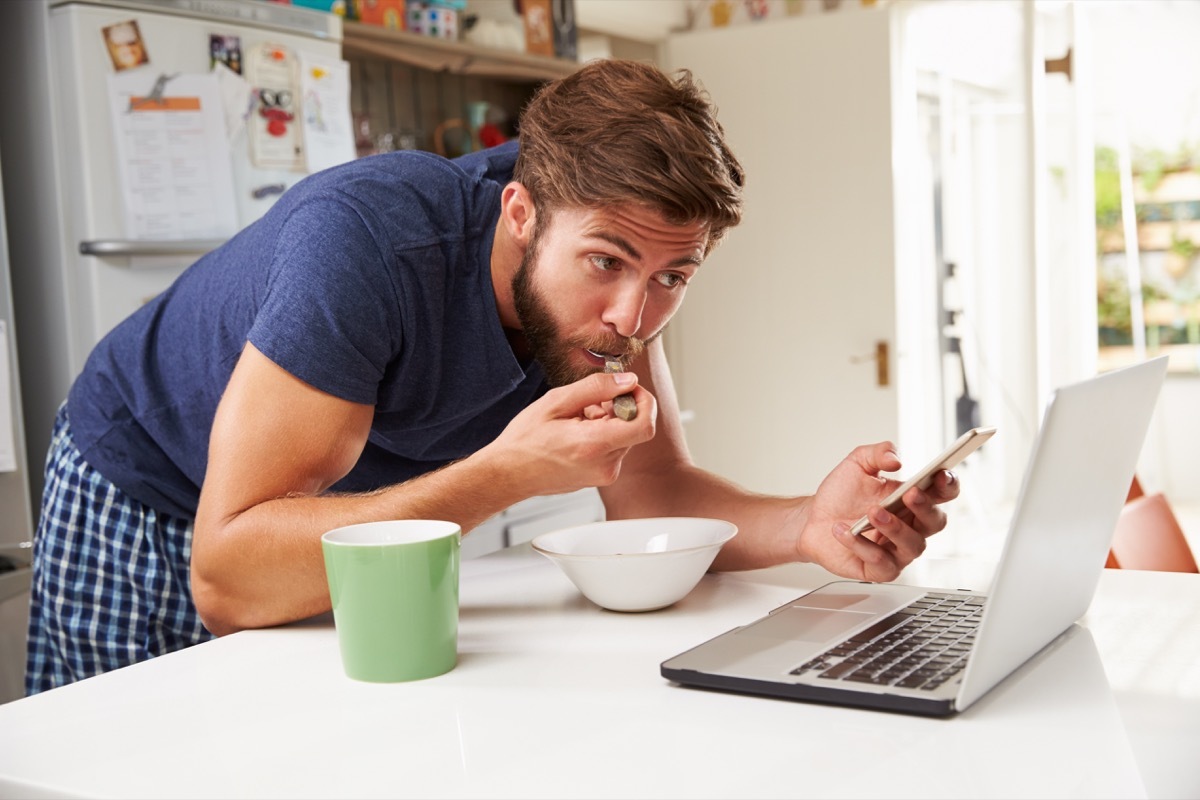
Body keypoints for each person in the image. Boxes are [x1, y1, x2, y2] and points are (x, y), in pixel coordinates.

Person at [25, 59, 959, 695]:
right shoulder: (368, 246)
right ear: (520, 212)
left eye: (674, 275)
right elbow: (229, 577)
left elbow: (655, 495)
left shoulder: (614, 291)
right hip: (149, 484)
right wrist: (508, 472)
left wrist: (808, 524)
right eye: (608, 262)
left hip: (317, 515)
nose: (635, 318)